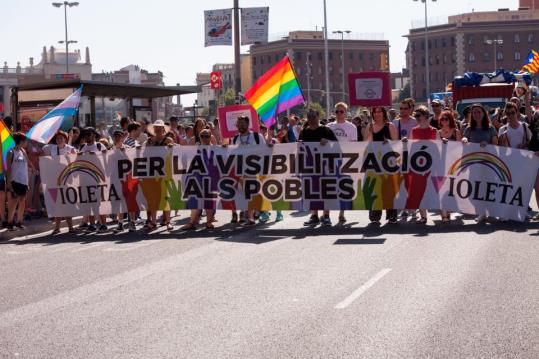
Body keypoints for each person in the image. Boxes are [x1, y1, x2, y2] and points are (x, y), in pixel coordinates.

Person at [300, 109, 338, 226]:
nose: (311, 118)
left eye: (314, 116)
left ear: (318, 116)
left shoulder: (325, 130)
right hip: (310, 167)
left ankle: (326, 215)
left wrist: (327, 141)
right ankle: (314, 215)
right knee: (312, 191)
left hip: (325, 167)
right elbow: (299, 149)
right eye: (309, 116)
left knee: (325, 191)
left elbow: (337, 145)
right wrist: (300, 143)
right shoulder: (304, 131)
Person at [462, 104, 498, 223]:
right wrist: (464, 140)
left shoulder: (490, 128)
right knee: (476, 189)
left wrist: (487, 144)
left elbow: (496, 145)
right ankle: (480, 212)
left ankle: (491, 211)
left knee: (487, 188)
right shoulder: (468, 129)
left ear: (484, 114)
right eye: (474, 112)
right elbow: (464, 142)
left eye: (479, 112)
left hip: (488, 163)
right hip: (474, 164)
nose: (477, 114)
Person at [230, 115, 267, 225]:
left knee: (253, 192)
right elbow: (232, 153)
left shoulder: (257, 137)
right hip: (241, 170)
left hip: (255, 170)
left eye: (243, 123)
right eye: (239, 124)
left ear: (248, 124)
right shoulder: (235, 138)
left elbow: (264, 151)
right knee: (245, 194)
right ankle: (250, 216)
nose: (241, 126)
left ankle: (252, 215)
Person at [365, 106, 399, 224]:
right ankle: (375, 214)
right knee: (374, 187)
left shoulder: (390, 126)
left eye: (380, 112)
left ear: (384, 113)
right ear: (372, 114)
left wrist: (388, 142)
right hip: (374, 161)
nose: (377, 114)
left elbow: (396, 143)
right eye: (375, 112)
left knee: (388, 188)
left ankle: (392, 214)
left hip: (388, 161)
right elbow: (366, 144)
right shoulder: (369, 127)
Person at [408, 106, 441, 224]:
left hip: (431, 165)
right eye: (415, 116)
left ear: (426, 116)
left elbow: (439, 148)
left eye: (418, 116)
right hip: (418, 166)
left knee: (432, 190)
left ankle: (444, 214)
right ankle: (423, 216)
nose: (416, 118)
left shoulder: (434, 131)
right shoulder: (414, 131)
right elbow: (410, 148)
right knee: (419, 189)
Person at [327, 102, 358, 224]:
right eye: (337, 111)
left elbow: (354, 145)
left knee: (343, 186)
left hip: (345, 160)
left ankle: (342, 213)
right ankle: (327, 214)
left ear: (346, 112)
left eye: (341, 111)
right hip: (330, 160)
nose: (339, 114)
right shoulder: (329, 126)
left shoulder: (351, 127)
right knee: (330, 187)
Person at [181, 128, 217, 230]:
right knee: (194, 201)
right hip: (197, 179)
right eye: (202, 136)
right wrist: (172, 148)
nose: (205, 138)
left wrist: (224, 148)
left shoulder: (216, 149)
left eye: (207, 136)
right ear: (199, 137)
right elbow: (183, 155)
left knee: (209, 201)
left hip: (210, 179)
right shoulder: (195, 148)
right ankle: (192, 222)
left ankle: (209, 222)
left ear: (211, 137)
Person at [43, 131, 77, 234]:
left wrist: (70, 157)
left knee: (66, 203)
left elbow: (76, 161)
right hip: (54, 179)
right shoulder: (52, 148)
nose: (59, 140)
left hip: (67, 179)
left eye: (61, 138)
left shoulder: (70, 149)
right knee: (56, 203)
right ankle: (57, 227)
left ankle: (70, 227)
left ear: (65, 139)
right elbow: (44, 149)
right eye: (57, 138)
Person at [145, 120, 175, 231]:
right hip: (153, 173)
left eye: (160, 128)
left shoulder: (168, 140)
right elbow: (144, 155)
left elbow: (174, 153)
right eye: (156, 128)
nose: (158, 129)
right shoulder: (149, 141)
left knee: (166, 198)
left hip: (166, 172)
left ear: (163, 129)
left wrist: (172, 147)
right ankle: (153, 221)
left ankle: (168, 222)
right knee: (153, 198)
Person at [79, 127, 109, 233]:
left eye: (89, 134)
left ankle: (103, 224)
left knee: (99, 202)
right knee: (89, 202)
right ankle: (91, 224)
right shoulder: (83, 147)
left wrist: (95, 156)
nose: (87, 136)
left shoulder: (100, 146)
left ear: (94, 135)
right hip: (86, 178)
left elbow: (107, 159)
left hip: (98, 178)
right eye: (86, 134)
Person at [438, 110, 462, 223]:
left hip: (453, 164)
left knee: (452, 189)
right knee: (443, 189)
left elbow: (459, 148)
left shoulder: (456, 132)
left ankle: (449, 209)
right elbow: (436, 149)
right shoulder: (438, 133)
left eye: (446, 119)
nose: (444, 121)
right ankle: (444, 213)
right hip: (441, 164)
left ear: (450, 120)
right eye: (442, 119)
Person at [5, 133, 32, 231]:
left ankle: (19, 222)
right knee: (14, 202)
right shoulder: (11, 152)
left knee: (22, 201)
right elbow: (8, 169)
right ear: (20, 141)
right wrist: (9, 183)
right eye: (25, 140)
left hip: (24, 180)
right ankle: (10, 223)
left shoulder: (23, 151)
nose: (26, 142)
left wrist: (33, 169)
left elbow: (28, 163)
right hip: (14, 180)